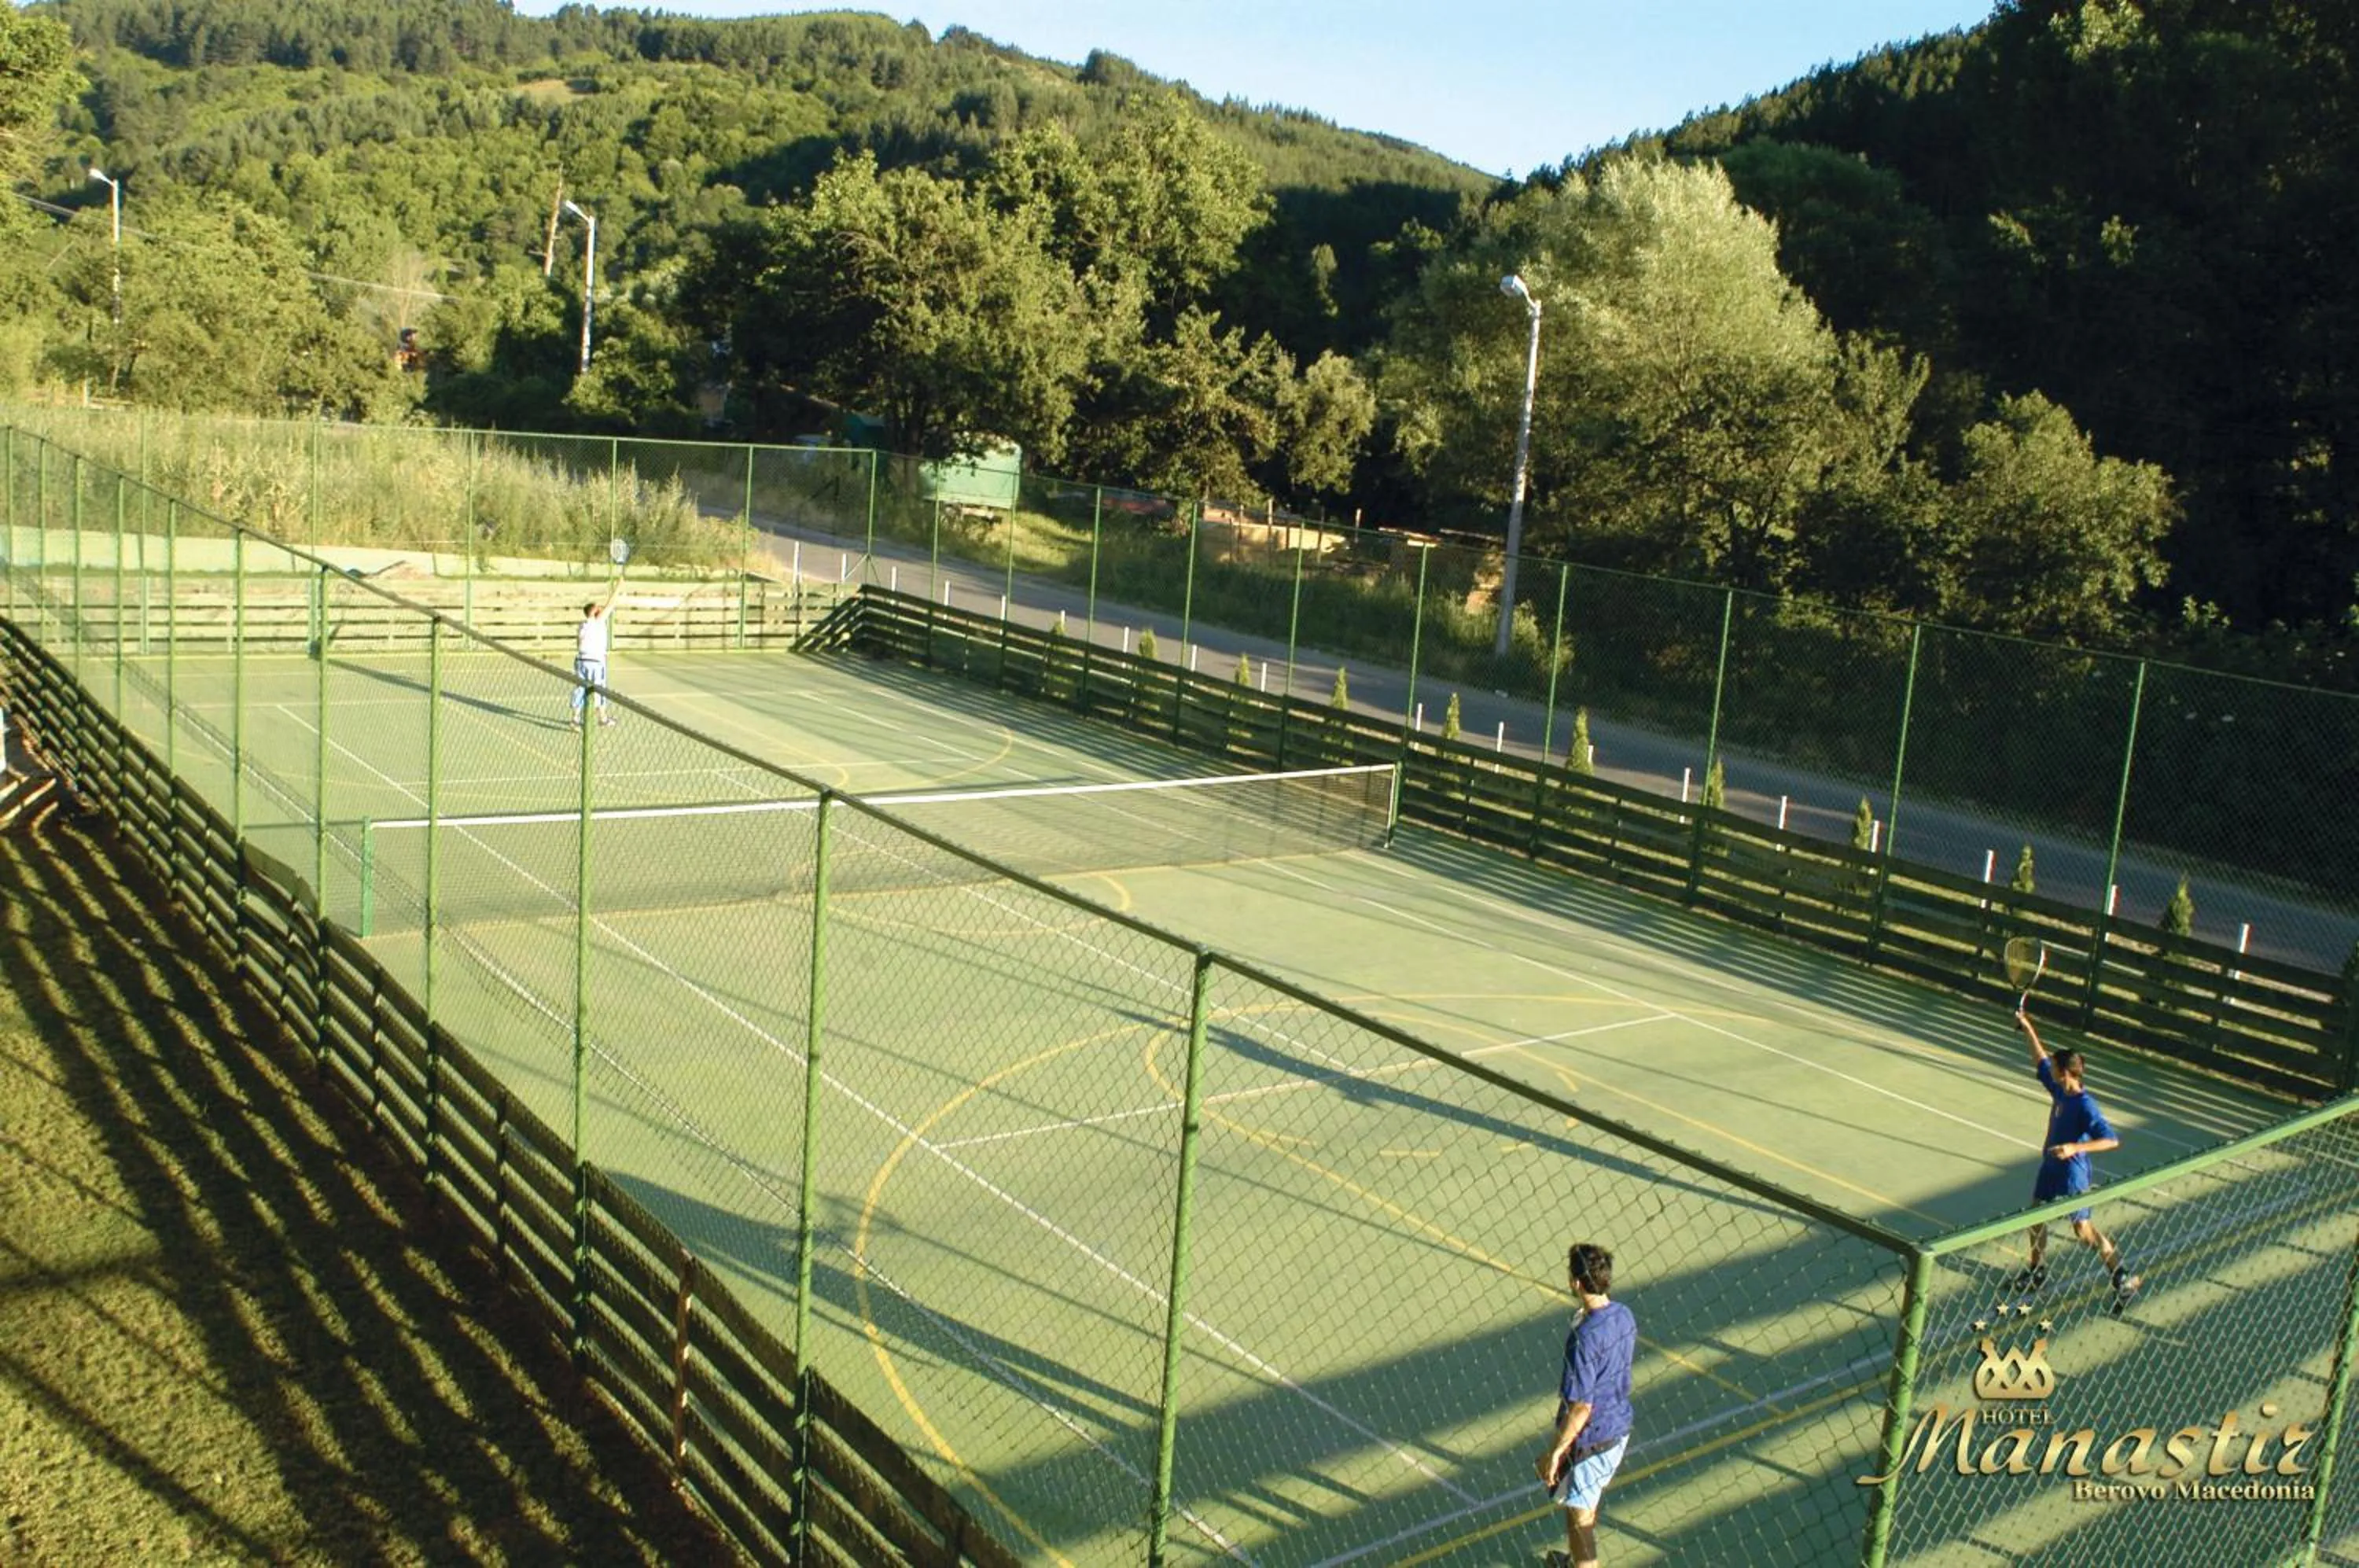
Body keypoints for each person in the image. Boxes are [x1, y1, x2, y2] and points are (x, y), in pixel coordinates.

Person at [2011, 1009, 2141, 1315]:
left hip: (2073, 1172)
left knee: (2083, 1231)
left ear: (2065, 1072)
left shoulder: (2085, 1105)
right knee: (2035, 1215)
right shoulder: (2060, 1089)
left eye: (2055, 1066)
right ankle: (2037, 1269)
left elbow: (2111, 1140)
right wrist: (2028, 1027)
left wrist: (2073, 1148)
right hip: (2050, 1167)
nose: (2050, 1067)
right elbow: (2039, 1059)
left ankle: (2122, 1277)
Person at [1535, 1242, 1636, 1568]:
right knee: (1579, 1503)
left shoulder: (1584, 1338)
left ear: (1576, 1282)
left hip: (1591, 1440)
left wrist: (1555, 1452)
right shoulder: (1623, 1315)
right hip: (1617, 1427)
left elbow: (1581, 1407)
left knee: (1582, 1524)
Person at [572, 581, 621, 728]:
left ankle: (575, 719)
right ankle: (602, 718)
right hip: (595, 662)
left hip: (581, 660)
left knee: (580, 689)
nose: (601, 609)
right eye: (598, 608)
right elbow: (611, 604)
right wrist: (619, 586)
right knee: (599, 690)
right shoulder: (597, 622)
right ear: (593, 612)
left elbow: (578, 643)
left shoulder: (582, 625)